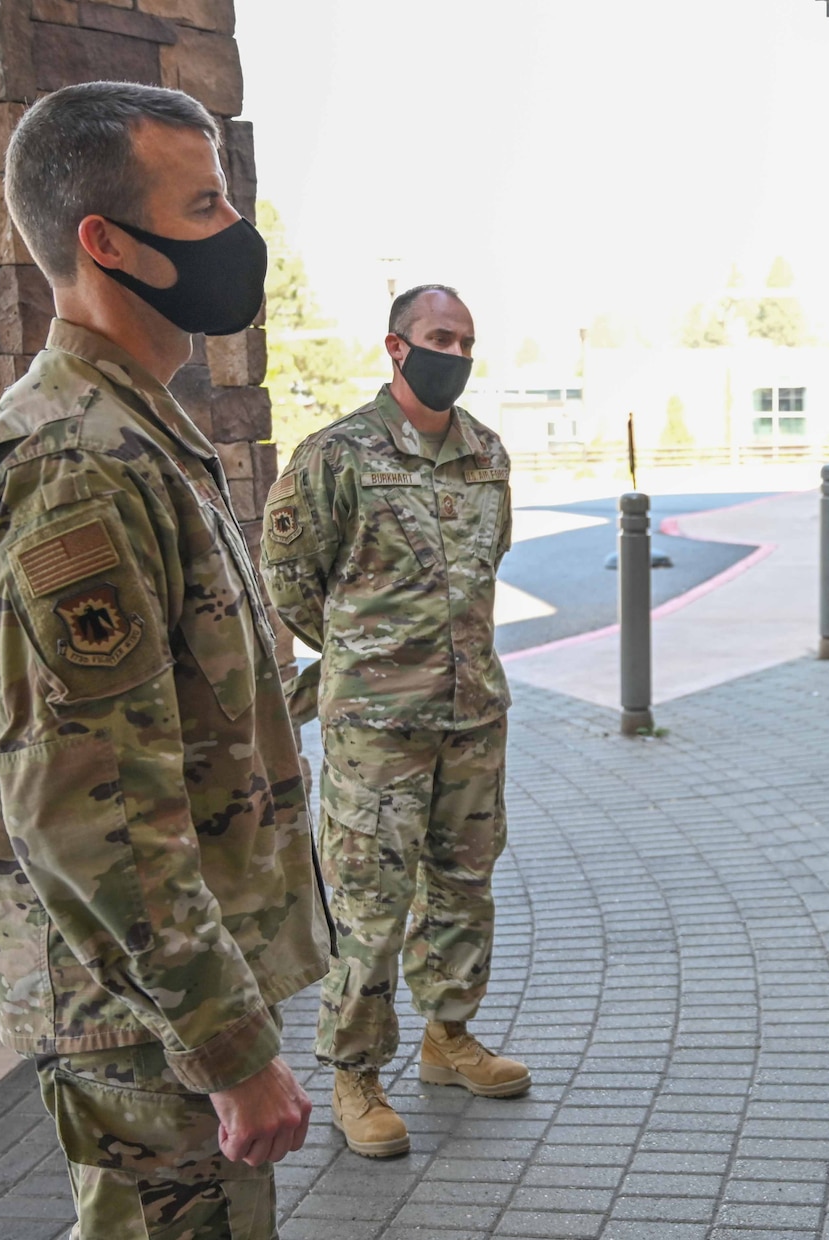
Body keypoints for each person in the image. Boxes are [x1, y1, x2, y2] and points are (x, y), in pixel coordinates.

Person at [0, 82, 330, 1239]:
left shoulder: (135, 430)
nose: (236, 233)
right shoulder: (79, 465)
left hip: (168, 993)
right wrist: (228, 1051)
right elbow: (87, 808)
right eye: (204, 204)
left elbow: (189, 704)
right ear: (105, 242)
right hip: (148, 1017)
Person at [259, 283, 527, 1160]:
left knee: (463, 885)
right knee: (372, 903)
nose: (455, 351)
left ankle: (448, 1039)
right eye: (439, 335)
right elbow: (293, 578)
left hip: (472, 715)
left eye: (467, 339)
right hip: (377, 726)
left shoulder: (487, 452)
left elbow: (488, 565)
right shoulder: (337, 455)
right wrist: (363, 654)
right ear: (396, 347)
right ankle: (353, 1072)